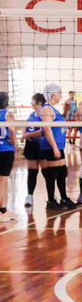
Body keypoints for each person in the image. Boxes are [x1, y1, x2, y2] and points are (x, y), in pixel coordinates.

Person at [39, 84, 77, 210]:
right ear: (53, 95)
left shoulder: (53, 109)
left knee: (62, 173)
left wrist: (66, 111)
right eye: (60, 93)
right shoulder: (46, 109)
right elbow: (46, 129)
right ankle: (51, 201)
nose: (61, 96)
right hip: (50, 146)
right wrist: (54, 148)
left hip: (58, 145)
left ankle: (64, 198)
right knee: (52, 174)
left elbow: (57, 122)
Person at [22, 93, 46, 209]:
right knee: (32, 172)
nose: (31, 103)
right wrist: (24, 134)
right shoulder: (32, 114)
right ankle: (29, 196)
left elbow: (43, 131)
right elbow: (26, 127)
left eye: (32, 101)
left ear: (39, 102)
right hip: (31, 145)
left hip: (42, 145)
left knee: (47, 172)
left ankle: (51, 197)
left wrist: (28, 135)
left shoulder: (44, 115)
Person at [0, 92, 16, 222]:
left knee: (3, 181)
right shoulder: (7, 114)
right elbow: (12, 129)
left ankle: (3, 209)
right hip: (5, 150)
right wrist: (14, 141)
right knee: (3, 181)